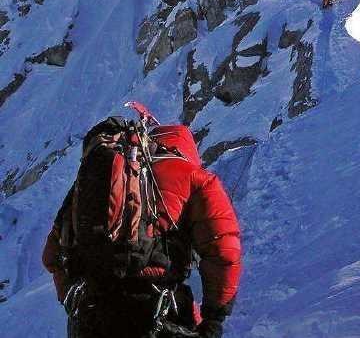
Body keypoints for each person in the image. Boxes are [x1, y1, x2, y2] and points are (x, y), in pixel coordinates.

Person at [42, 115, 241, 338]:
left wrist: (73, 300)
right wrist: (214, 319)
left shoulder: (89, 183)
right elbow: (223, 251)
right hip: (157, 313)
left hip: (92, 313)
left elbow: (51, 255)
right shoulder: (195, 177)